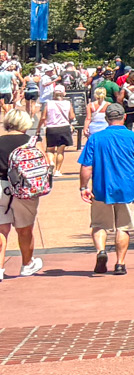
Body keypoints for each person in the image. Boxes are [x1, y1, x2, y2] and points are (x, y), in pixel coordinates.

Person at [76, 104, 134, 276]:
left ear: (107, 119)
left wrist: (83, 187)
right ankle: (120, 263)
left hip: (101, 190)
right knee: (123, 228)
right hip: (127, 191)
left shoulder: (96, 139)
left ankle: (101, 251)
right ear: (124, 117)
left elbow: (86, 167)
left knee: (99, 225)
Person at [2, 109, 50, 280]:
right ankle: (27, 264)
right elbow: (45, 163)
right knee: (25, 228)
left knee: (1, 230)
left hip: (1, 187)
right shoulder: (32, 141)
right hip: (25, 188)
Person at [41, 85, 74, 176]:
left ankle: (51, 162)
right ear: (64, 93)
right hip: (64, 127)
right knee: (60, 151)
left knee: (50, 149)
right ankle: (57, 171)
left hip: (51, 128)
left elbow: (43, 117)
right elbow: (72, 116)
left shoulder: (49, 103)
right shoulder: (67, 103)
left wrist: (39, 128)